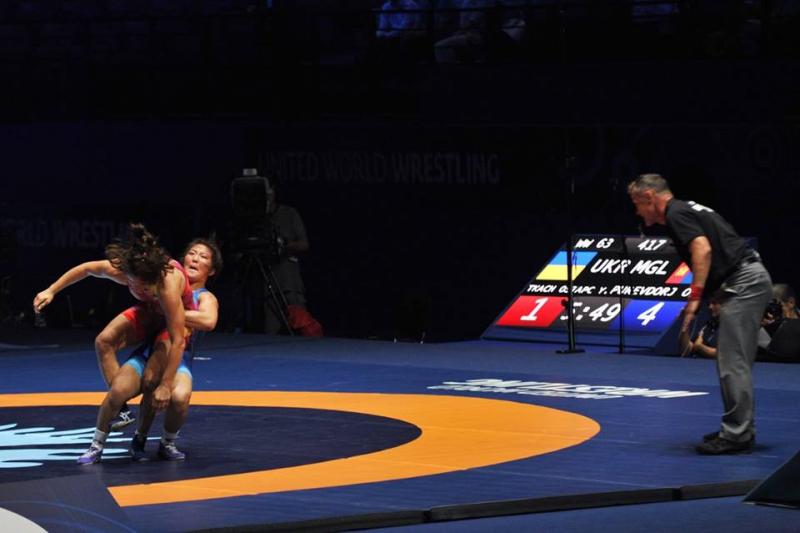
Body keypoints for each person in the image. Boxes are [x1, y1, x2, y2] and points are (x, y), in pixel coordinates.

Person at [628, 174, 772, 455]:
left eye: (637, 204)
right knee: (733, 361)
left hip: (744, 282)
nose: (637, 212)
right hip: (744, 279)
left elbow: (702, 250)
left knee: (732, 362)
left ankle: (737, 434)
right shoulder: (686, 209)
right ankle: (738, 428)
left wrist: (694, 298)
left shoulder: (675, 213)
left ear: (649, 197)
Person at [33, 223, 194, 464]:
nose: (137, 288)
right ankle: (121, 411)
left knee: (152, 379)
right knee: (104, 341)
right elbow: (87, 269)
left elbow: (178, 339)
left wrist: (166, 384)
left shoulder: (168, 284)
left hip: (175, 322)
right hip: (151, 311)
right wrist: (51, 290)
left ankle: (147, 439)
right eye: (134, 284)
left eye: (144, 287)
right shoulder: (124, 270)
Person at [127, 237, 221, 461]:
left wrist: (171, 311)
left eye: (203, 257)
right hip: (150, 352)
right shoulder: (165, 282)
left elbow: (208, 320)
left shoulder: (205, 297)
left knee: (180, 397)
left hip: (179, 359)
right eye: (192, 253)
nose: (195, 259)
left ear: (212, 270)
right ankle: (138, 437)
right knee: (140, 384)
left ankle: (167, 441)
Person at [679, 293, 721, 358]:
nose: (710, 307)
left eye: (714, 303)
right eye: (708, 304)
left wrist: (700, 347)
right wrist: (685, 324)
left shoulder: (732, 326)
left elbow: (727, 354)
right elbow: (687, 350)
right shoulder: (707, 326)